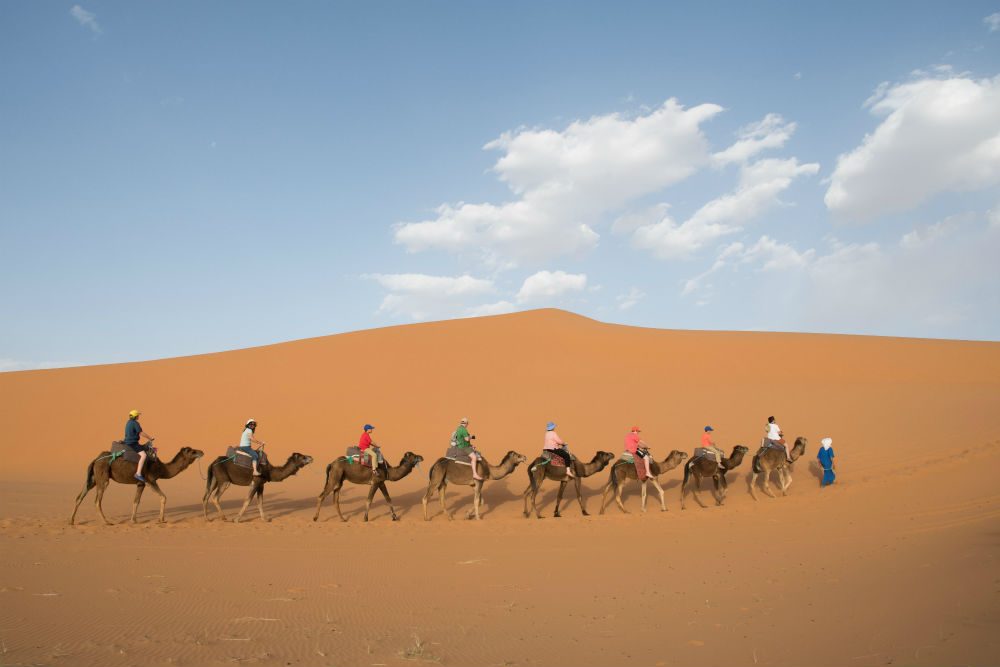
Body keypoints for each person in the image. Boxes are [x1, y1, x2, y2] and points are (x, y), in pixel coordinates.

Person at [124, 409, 155, 483]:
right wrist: (150, 438)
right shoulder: (135, 423)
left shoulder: (128, 422)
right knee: (144, 455)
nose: (138, 416)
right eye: (137, 415)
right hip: (132, 443)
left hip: (128, 442)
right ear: (135, 416)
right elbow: (141, 433)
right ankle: (138, 473)